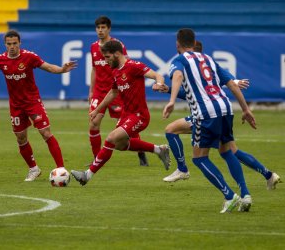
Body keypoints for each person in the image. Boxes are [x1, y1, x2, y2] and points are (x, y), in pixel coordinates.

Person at [157, 41, 281, 189]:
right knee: (232, 151)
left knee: (174, 132)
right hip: (219, 112)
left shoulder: (191, 64)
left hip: (206, 114)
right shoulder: (205, 64)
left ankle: (183, 170)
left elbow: (228, 83)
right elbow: (193, 93)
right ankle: (268, 175)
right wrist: (169, 90)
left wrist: (235, 82)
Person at [0, 30, 77, 181]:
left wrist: (62, 69)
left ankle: (61, 168)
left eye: (15, 43)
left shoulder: (29, 57)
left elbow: (48, 67)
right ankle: (33, 169)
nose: (12, 47)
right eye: (9, 44)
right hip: (15, 105)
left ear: (20, 43)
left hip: (32, 102)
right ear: (5, 44)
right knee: (21, 138)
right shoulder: (1, 60)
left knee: (46, 133)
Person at [163, 28, 257, 213]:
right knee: (227, 151)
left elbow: (178, 75)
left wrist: (172, 100)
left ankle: (230, 196)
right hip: (225, 108)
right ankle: (245, 194)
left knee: (199, 158)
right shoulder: (208, 59)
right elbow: (231, 84)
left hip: (205, 113)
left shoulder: (179, 60)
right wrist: (245, 109)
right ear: (194, 41)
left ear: (177, 44)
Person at [71, 40, 171, 186]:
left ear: (117, 54)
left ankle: (87, 175)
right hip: (126, 115)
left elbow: (157, 75)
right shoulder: (116, 71)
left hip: (139, 116)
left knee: (111, 138)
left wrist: (159, 84)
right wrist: (97, 110)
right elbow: (112, 93)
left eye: (107, 57)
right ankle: (159, 149)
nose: (105, 61)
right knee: (120, 145)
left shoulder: (134, 66)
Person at [89, 16, 147, 166]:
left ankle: (141, 153)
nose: (100, 30)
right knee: (93, 123)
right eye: (98, 28)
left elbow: (125, 65)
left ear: (109, 29)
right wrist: (91, 91)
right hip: (99, 92)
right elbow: (94, 69)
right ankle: (97, 158)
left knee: (125, 126)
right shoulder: (93, 47)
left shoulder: (117, 46)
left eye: (103, 27)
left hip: (116, 91)